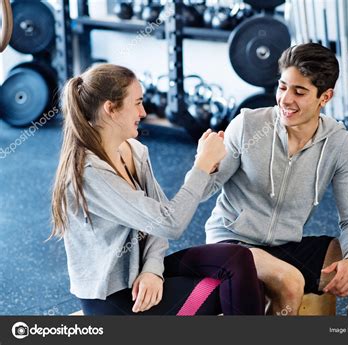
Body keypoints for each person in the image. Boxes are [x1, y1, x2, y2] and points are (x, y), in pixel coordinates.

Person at [196, 43, 348, 315]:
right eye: (282, 87)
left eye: (299, 91)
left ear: (325, 97)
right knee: (289, 281)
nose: (286, 99)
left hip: (286, 246)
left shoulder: (340, 144)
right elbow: (203, 191)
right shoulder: (247, 125)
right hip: (233, 243)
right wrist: (204, 164)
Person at [50, 64, 264, 315]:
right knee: (234, 289)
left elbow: (159, 219)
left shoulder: (134, 150)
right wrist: (202, 166)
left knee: (236, 260)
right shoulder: (89, 173)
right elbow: (170, 223)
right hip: (114, 298)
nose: (143, 111)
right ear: (110, 109)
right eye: (138, 102)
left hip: (143, 273)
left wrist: (152, 270)